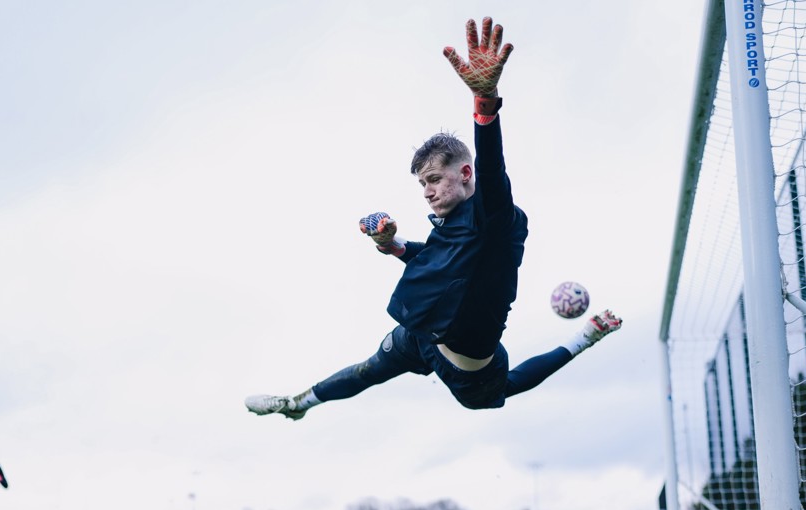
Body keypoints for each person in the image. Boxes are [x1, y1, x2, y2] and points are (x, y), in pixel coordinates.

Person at [245, 16, 622, 420]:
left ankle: (584, 339)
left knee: (500, 390)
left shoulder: (495, 219)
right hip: (421, 334)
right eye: (422, 183)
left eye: (434, 179)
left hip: (468, 364)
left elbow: (493, 170)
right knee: (370, 369)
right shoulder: (449, 224)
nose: (427, 191)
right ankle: (297, 404)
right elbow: (438, 257)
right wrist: (392, 244)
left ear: (464, 174)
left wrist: (485, 105)